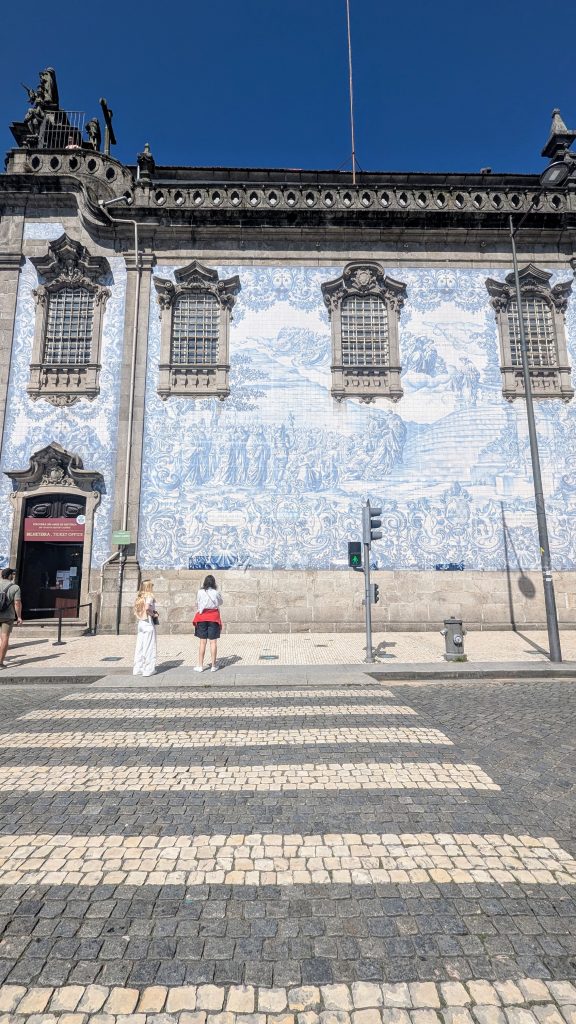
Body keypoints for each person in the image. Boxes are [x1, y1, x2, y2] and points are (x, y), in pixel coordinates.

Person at [193, 574, 223, 672]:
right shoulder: (216, 593)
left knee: (202, 642)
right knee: (213, 642)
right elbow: (220, 602)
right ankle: (214, 666)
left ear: (205, 582)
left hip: (202, 617)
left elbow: (197, 603)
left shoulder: (200, 592)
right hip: (213, 617)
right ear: (214, 583)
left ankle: (200, 666)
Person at [133, 579, 158, 677]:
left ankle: (137, 668)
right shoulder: (149, 596)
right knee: (149, 646)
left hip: (141, 623)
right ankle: (148, 669)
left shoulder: (139, 597)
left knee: (140, 646)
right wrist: (153, 614)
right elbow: (147, 608)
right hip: (148, 623)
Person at [0, 568, 23, 669]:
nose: (13, 576)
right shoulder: (15, 587)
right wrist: (19, 617)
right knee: (5, 637)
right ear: (10, 576)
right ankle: (0, 661)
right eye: (12, 574)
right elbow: (17, 603)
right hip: (7, 616)